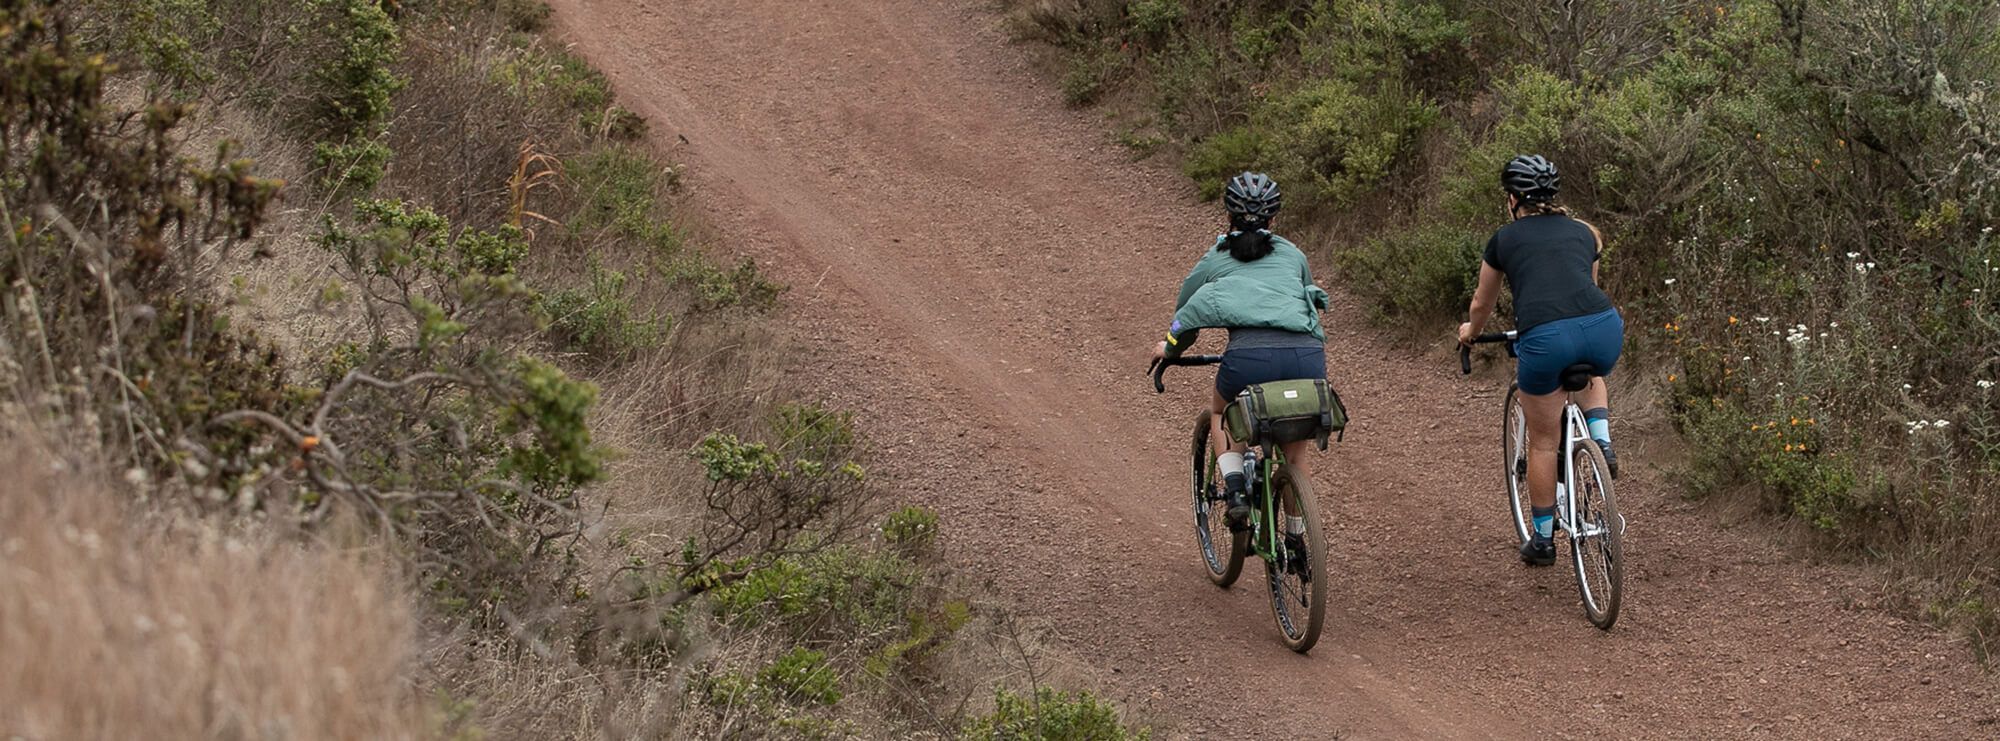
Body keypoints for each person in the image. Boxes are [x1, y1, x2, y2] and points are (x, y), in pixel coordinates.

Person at [1458, 154, 1624, 567]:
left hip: (1546, 339)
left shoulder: (1504, 239)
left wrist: (1471, 333)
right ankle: (1602, 441)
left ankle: (1544, 540)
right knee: (1591, 373)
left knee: (1545, 442)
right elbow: (1585, 286)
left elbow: (1482, 303)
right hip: (1603, 327)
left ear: (1513, 199)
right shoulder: (1585, 232)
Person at [1150, 172, 1330, 544]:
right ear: (1274, 218)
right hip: (1306, 357)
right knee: (1295, 451)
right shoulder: (1293, 254)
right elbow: (1306, 301)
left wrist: (1169, 348)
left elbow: (1184, 315)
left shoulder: (1215, 258)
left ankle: (1234, 490)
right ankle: (1297, 539)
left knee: (1221, 411)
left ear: (1228, 215)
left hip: (1247, 359)